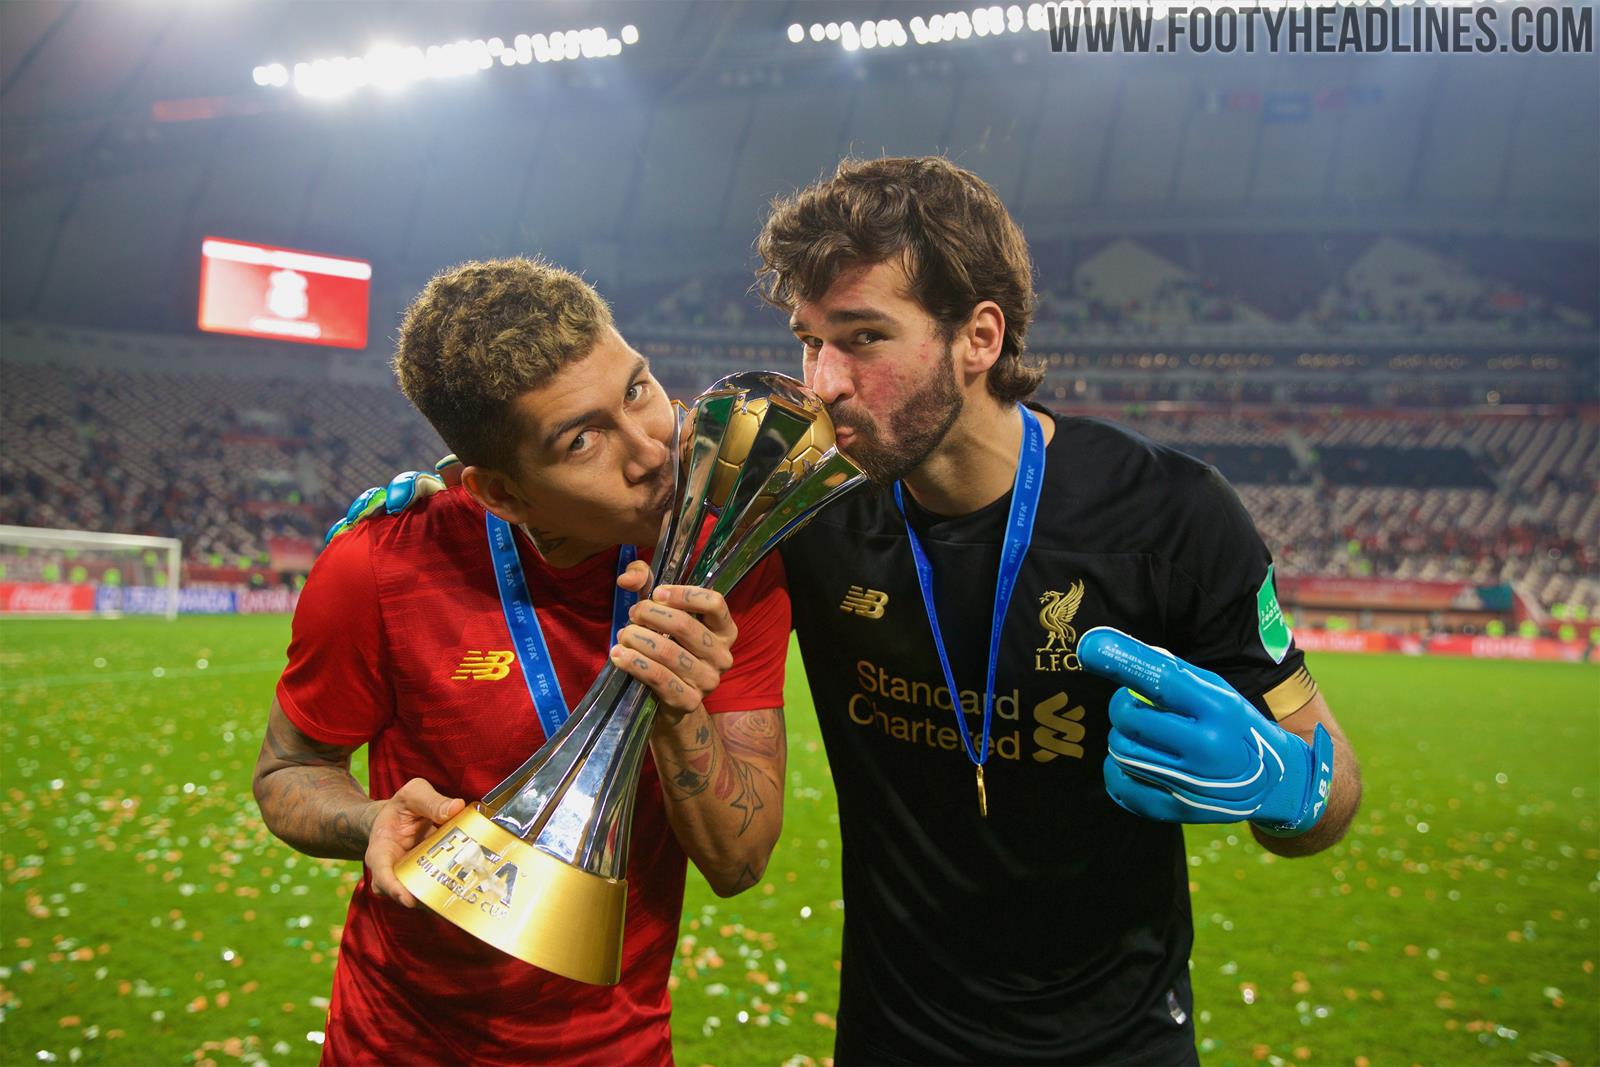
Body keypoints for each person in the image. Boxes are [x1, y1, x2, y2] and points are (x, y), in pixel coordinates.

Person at [353, 158, 1363, 1065]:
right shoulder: (803, 501)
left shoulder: (1171, 515)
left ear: (979, 337)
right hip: (893, 1033)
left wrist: (1282, 785)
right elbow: (603, 469)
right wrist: (445, 495)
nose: (825, 382)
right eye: (809, 341)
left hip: (1121, 1037)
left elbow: (1330, 792)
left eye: (864, 339)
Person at [253, 258, 791, 1066]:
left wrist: (676, 707)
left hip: (617, 1048)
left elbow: (738, 861)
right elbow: (288, 770)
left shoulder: (729, 560)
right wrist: (370, 819)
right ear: (501, 493)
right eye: (582, 438)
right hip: (397, 1043)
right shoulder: (379, 564)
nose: (651, 450)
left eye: (638, 389)